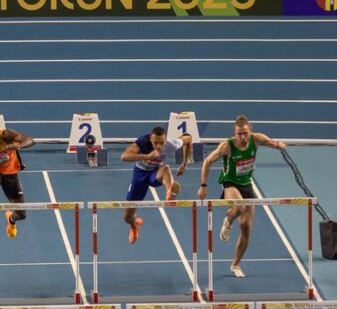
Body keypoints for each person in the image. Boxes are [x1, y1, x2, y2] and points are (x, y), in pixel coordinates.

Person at [198, 116, 286, 278]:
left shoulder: (257, 138)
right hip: (230, 183)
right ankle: (228, 220)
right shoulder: (227, 146)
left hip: (247, 184)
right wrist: (203, 186)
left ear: (250, 131)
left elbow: (272, 142)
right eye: (239, 134)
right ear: (235, 133)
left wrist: (279, 146)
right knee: (238, 206)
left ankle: (235, 265)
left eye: (245, 133)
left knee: (246, 227)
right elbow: (207, 162)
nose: (242, 137)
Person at [120, 127, 191, 244]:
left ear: (166, 140)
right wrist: (146, 156)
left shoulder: (171, 144)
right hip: (140, 175)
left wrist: (184, 164)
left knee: (166, 168)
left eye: (161, 143)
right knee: (127, 217)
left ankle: (170, 193)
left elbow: (188, 139)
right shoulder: (143, 142)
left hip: (155, 173)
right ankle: (135, 225)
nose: (158, 146)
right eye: (155, 143)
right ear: (150, 139)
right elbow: (124, 156)